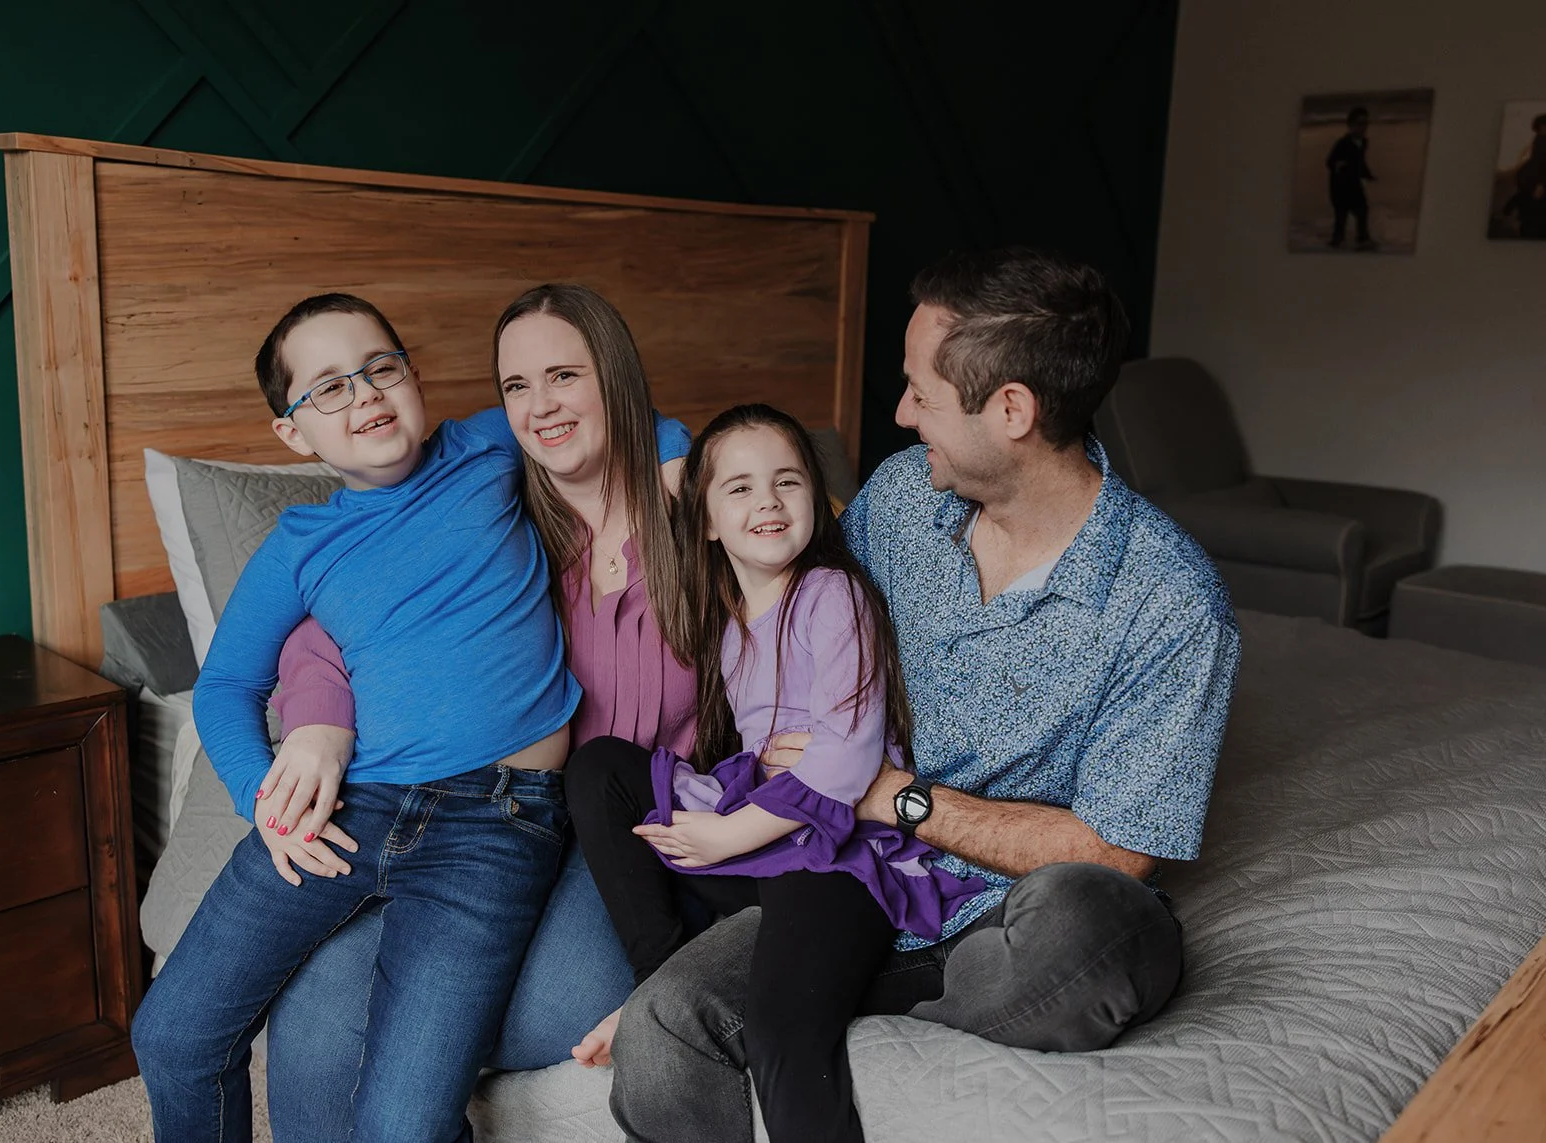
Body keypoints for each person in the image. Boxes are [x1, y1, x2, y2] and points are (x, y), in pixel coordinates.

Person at [606, 247, 1242, 1143]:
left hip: (1000, 904)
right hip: (840, 872)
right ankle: (825, 998)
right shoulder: (904, 498)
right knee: (665, 1023)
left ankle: (837, 1001)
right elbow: (783, 614)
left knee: (1104, 925)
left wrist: (890, 795)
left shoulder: (1168, 602)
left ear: (1011, 409)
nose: (902, 415)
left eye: (921, 393)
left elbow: (1120, 847)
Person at [130, 291, 690, 1143]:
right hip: (350, 807)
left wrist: (675, 461)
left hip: (497, 822)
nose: (365, 394)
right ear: (292, 433)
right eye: (328, 388)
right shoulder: (299, 545)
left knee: (403, 1122)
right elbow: (224, 686)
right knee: (171, 1034)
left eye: (380, 366)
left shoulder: (489, 445)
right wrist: (260, 801)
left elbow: (632, 415)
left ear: (415, 376)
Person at [564, 404, 984, 1143]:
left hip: (836, 856)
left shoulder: (831, 593)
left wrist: (729, 834)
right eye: (740, 488)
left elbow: (847, 758)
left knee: (782, 1032)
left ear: (813, 504)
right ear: (705, 523)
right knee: (600, 768)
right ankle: (657, 981)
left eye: (787, 481)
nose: (767, 501)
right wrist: (738, 801)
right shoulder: (727, 622)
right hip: (764, 841)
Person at [1327, 106, 1376, 249]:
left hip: (1354, 184)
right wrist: (1337, 165)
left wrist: (1368, 175)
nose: (1363, 127)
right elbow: (1329, 161)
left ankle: (1362, 238)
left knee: (1362, 210)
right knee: (1341, 215)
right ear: (1350, 125)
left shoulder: (1364, 143)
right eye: (1359, 123)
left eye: (1365, 123)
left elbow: (1361, 163)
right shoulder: (1342, 143)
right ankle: (1337, 239)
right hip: (1340, 186)